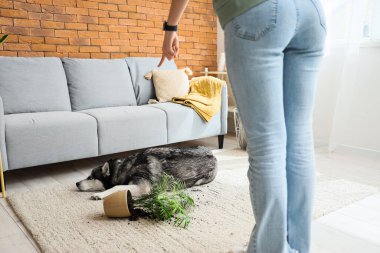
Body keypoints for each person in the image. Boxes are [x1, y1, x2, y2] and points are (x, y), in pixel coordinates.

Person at [159, 0, 327, 252]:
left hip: (258, 11)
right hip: (312, 12)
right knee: (299, 139)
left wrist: (171, 27)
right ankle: (298, 248)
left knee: (267, 143)